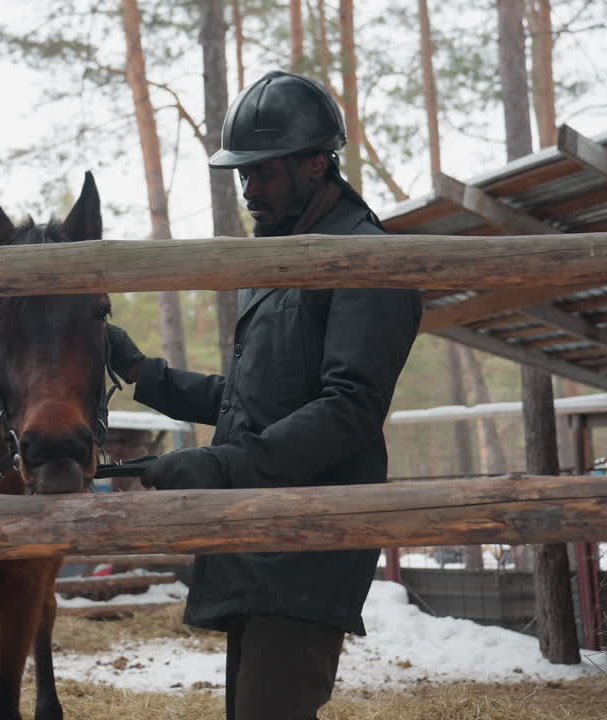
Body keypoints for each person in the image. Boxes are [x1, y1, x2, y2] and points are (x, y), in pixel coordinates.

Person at [107, 70, 422, 719]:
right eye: (240, 174)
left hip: (307, 547)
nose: (248, 189)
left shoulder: (365, 261)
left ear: (316, 164)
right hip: (258, 541)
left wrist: (218, 466)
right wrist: (145, 375)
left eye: (263, 173)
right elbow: (253, 398)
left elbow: (350, 409)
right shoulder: (287, 257)